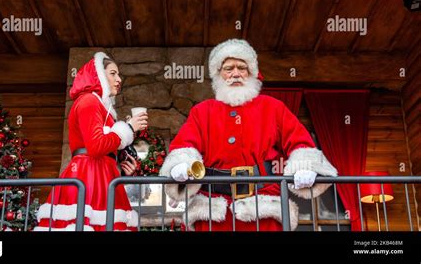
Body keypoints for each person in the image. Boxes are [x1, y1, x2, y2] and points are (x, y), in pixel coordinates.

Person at [160, 39, 338, 231]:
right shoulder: (202, 111)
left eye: (242, 67)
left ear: (251, 72)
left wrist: (306, 166)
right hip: (214, 207)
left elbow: (300, 141)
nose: (235, 73)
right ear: (218, 74)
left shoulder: (273, 107)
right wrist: (181, 164)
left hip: (263, 206)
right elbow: (184, 144)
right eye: (228, 68)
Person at [34, 52, 148, 231]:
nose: (119, 79)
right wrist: (129, 129)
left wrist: (122, 168)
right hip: (89, 176)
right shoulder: (89, 101)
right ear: (99, 75)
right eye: (113, 73)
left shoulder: (102, 108)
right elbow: (95, 146)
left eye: (119, 75)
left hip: (100, 175)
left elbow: (104, 148)